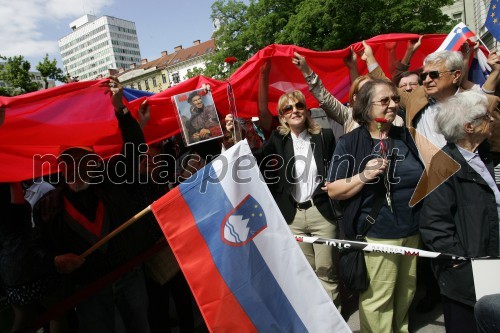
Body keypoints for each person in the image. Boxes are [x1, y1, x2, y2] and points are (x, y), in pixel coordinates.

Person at [33, 77, 154, 333]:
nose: (76, 167)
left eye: (83, 160)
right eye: (69, 161)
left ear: (94, 162)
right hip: (87, 289)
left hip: (128, 277)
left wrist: (119, 108)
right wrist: (54, 260)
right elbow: (36, 248)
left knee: (139, 327)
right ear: (60, 166)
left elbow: (134, 149)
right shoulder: (47, 206)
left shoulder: (112, 182)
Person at [226, 90, 340, 306]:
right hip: (292, 216)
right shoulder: (278, 139)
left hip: (321, 213)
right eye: (288, 108)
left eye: (299, 106)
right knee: (306, 274)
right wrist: (234, 135)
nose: (294, 111)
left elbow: (336, 167)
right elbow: (254, 158)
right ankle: (315, 318)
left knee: (327, 272)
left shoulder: (324, 136)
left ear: (306, 110)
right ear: (283, 116)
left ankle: (334, 322)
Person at [327, 79, 423, 333]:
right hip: (379, 235)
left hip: (412, 232)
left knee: (406, 295)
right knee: (378, 300)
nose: (393, 105)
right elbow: (333, 189)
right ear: (367, 107)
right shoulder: (350, 142)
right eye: (385, 101)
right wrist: (363, 176)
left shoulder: (407, 136)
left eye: (395, 99)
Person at [420, 91, 500, 333]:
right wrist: (462, 265)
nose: (493, 120)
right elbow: (434, 225)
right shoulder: (443, 166)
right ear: (469, 127)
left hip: (493, 263)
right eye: (487, 116)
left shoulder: (488, 157)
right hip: (470, 276)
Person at [292, 42, 404, 134]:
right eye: (364, 91)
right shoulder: (348, 116)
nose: (368, 93)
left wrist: (358, 64)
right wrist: (306, 70)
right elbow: (324, 97)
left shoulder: (396, 120)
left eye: (371, 89)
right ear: (355, 98)